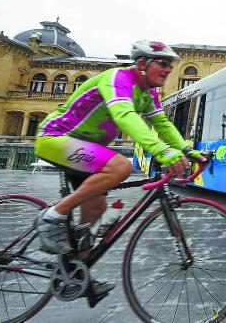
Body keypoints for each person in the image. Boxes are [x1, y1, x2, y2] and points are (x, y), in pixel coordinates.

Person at [34, 40, 207, 298]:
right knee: (120, 167)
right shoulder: (118, 79)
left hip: (87, 150)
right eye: (162, 63)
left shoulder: (148, 93)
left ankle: (74, 274)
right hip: (57, 138)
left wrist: (185, 149)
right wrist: (162, 151)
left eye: (171, 65)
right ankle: (52, 216)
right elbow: (125, 117)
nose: (168, 69)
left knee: (94, 211)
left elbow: (162, 124)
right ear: (141, 63)